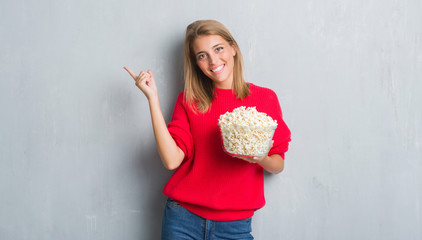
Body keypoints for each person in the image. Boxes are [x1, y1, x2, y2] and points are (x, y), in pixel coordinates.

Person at [124, 19, 291, 240]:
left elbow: (277, 164)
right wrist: (152, 99)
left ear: (233, 49)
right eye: (202, 55)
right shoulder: (189, 101)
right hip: (183, 219)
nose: (213, 61)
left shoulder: (264, 98)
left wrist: (260, 158)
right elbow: (172, 161)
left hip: (235, 225)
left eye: (218, 49)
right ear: (196, 63)